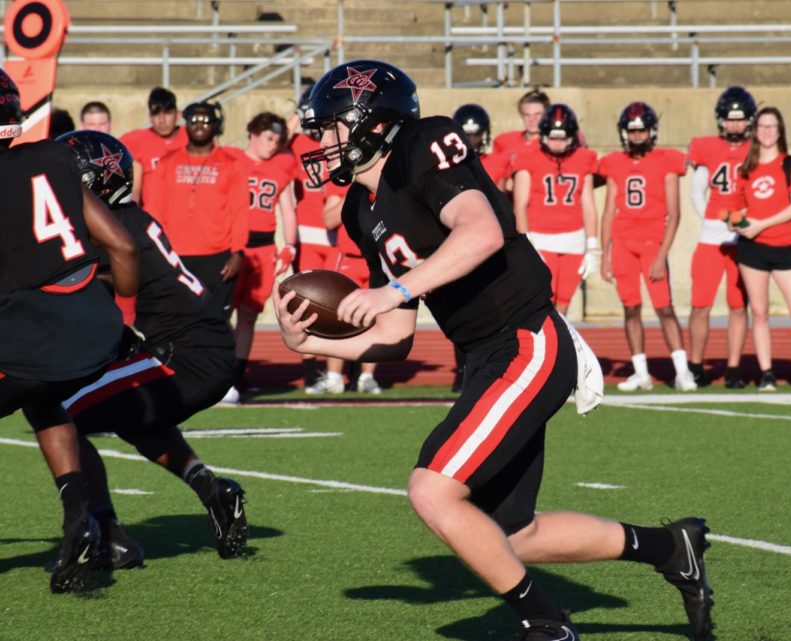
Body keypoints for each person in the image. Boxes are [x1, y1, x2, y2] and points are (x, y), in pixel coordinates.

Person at [279, 60, 713, 641]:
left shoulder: (422, 143)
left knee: (432, 490)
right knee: (509, 535)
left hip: (525, 339)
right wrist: (307, 341)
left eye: (330, 127)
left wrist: (396, 288)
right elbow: (396, 335)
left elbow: (480, 232)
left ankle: (546, 624)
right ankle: (670, 547)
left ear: (372, 125)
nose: (320, 141)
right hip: (484, 358)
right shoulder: (361, 211)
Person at [56, 130, 248, 566]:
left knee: (60, 415)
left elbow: (74, 281)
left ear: (94, 182)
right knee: (135, 418)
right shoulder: (130, 218)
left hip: (183, 354)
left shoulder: (114, 227)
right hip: (200, 347)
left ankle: (107, 534)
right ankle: (211, 489)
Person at [0, 71, 140, 593]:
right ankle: (82, 524)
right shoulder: (57, 157)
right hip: (95, 330)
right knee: (43, 400)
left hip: (28, 334)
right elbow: (123, 248)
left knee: (32, 378)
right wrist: (123, 318)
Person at [598, 102, 697, 392]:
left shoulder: (667, 160)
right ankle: (641, 372)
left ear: (651, 131)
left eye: (641, 130)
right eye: (632, 131)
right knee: (631, 308)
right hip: (623, 242)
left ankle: (682, 371)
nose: (637, 135)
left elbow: (675, 214)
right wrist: (604, 254)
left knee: (664, 308)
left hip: (653, 241)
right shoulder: (615, 162)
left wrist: (662, 254)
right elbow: (607, 213)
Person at [730, 107, 791, 391]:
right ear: (755, 131)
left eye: (773, 127)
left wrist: (761, 224)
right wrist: (738, 222)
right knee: (760, 312)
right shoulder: (746, 168)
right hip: (753, 250)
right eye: (762, 126)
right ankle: (766, 372)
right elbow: (738, 207)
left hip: (786, 246)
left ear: (780, 132)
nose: (767, 132)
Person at [142, 101, 249, 322]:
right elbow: (154, 209)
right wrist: (155, 251)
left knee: (215, 320)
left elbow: (239, 211)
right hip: (174, 255)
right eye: (193, 120)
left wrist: (238, 252)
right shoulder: (166, 162)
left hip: (217, 258)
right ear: (185, 124)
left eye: (206, 120)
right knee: (177, 320)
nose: (199, 125)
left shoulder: (232, 164)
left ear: (216, 125)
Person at [220, 112, 297, 403]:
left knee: (249, 314)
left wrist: (291, 245)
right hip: (234, 246)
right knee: (221, 312)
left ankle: (237, 376)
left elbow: (288, 209)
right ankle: (222, 373)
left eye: (278, 140)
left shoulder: (283, 164)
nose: (273, 145)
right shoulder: (229, 158)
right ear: (252, 134)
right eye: (268, 138)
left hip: (265, 248)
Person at [685, 86, 755, 389]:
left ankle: (734, 368)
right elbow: (696, 191)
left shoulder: (758, 148)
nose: (735, 125)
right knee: (701, 305)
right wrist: (712, 220)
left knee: (738, 305)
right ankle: (696, 365)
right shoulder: (707, 147)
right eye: (730, 119)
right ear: (720, 120)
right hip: (711, 238)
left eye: (740, 119)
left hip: (745, 238)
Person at [511, 104, 599, 315]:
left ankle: (560, 347)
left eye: (561, 138)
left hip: (574, 239)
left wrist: (593, 246)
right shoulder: (528, 155)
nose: (557, 143)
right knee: (544, 301)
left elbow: (588, 206)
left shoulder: (584, 158)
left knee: (564, 304)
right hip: (540, 238)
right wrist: (526, 241)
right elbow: (520, 204)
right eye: (552, 137)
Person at [304, 181, 383, 394]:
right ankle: (334, 377)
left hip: (377, 259)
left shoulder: (385, 184)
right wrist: (356, 193)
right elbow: (329, 219)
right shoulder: (346, 185)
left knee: (375, 319)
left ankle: (367, 377)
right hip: (347, 258)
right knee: (338, 318)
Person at [449, 103, 506, 391]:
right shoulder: (446, 165)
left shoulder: (496, 162)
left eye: (476, 134)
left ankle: (492, 367)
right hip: (459, 241)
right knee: (461, 309)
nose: (471, 140)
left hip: (490, 242)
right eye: (466, 134)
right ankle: (463, 369)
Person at [290, 90, 337, 386]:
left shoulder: (333, 139)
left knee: (336, 304)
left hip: (336, 235)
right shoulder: (294, 143)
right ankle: (310, 371)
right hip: (307, 234)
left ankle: (341, 368)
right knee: (305, 304)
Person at [120, 87, 188, 204]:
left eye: (167, 113)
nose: (162, 120)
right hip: (152, 215)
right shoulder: (136, 140)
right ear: (150, 117)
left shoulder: (191, 138)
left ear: (177, 114)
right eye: (156, 114)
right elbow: (133, 190)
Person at [493, 89, 552, 191]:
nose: (532, 119)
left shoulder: (553, 145)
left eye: (537, 114)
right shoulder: (505, 141)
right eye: (527, 115)